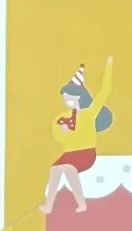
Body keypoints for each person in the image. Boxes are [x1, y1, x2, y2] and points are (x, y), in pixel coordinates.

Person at [41, 57, 114, 214]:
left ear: (79, 97)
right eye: (65, 99)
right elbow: (58, 138)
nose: (66, 101)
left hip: (86, 152)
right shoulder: (61, 117)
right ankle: (49, 204)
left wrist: (109, 67)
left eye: (69, 98)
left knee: (69, 169)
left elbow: (104, 92)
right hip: (68, 153)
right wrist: (63, 133)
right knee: (54, 170)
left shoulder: (89, 113)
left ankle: (81, 203)